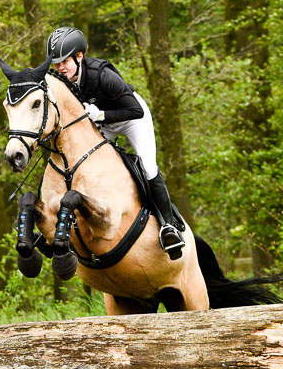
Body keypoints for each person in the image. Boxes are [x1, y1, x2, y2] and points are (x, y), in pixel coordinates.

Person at [46, 25, 185, 259]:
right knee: (79, 164)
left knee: (148, 166)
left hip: (131, 118)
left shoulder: (102, 75)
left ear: (79, 56)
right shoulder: (61, 81)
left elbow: (135, 110)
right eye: (56, 64)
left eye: (65, 62)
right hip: (100, 123)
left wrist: (101, 115)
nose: (60, 68)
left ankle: (168, 226)